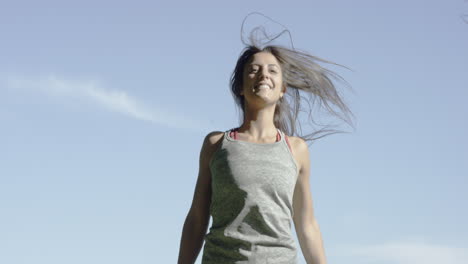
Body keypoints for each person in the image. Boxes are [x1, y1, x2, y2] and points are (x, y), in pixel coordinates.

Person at [177, 15, 355, 264]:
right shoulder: (216, 145)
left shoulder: (296, 149)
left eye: (272, 70)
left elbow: (307, 226)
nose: (263, 75)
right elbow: (197, 218)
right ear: (240, 86)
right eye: (253, 70)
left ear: (282, 89)